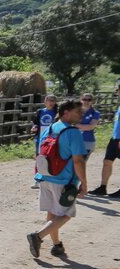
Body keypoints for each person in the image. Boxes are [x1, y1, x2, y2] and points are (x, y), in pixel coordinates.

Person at [27, 98, 88, 259]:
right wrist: (84, 182)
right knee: (66, 214)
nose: (81, 115)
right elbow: (78, 161)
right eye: (78, 111)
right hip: (64, 181)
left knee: (52, 213)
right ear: (66, 113)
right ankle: (38, 236)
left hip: (45, 177)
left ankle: (56, 245)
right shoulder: (73, 132)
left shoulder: (50, 128)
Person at [89, 87, 120, 197]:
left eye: (118, 90)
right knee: (107, 161)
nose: (117, 93)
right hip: (114, 138)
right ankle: (103, 187)